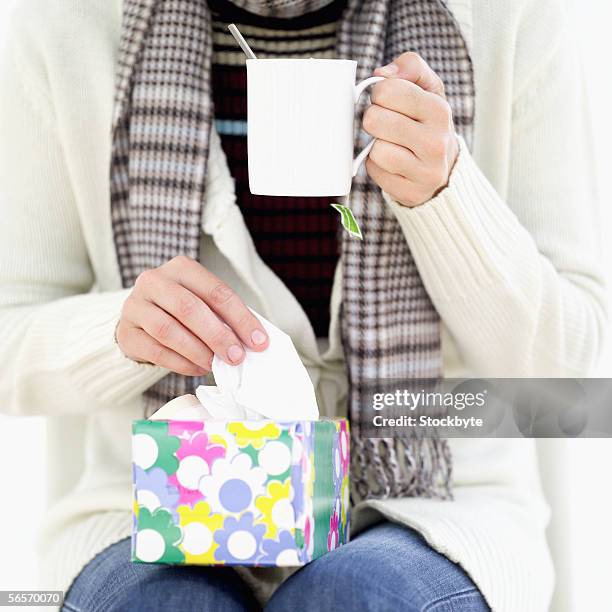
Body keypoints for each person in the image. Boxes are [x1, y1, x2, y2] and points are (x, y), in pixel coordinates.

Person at [0, 0, 605, 610]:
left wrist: (446, 197)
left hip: (437, 505)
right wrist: (120, 333)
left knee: (352, 598)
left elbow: (573, 373)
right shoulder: (66, 22)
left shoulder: (514, 18)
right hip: (158, 505)